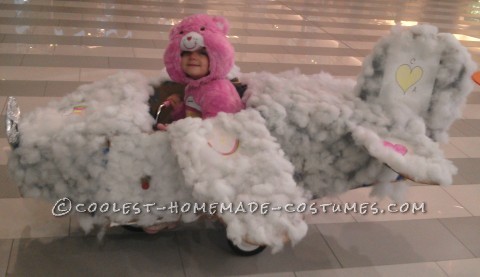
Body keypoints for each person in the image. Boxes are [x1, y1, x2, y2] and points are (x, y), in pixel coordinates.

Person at [156, 13, 244, 130]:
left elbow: (217, 133)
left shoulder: (217, 93)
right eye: (186, 53)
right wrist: (179, 109)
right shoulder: (194, 86)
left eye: (202, 53)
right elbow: (192, 116)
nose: (193, 57)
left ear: (216, 58)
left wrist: (175, 132)